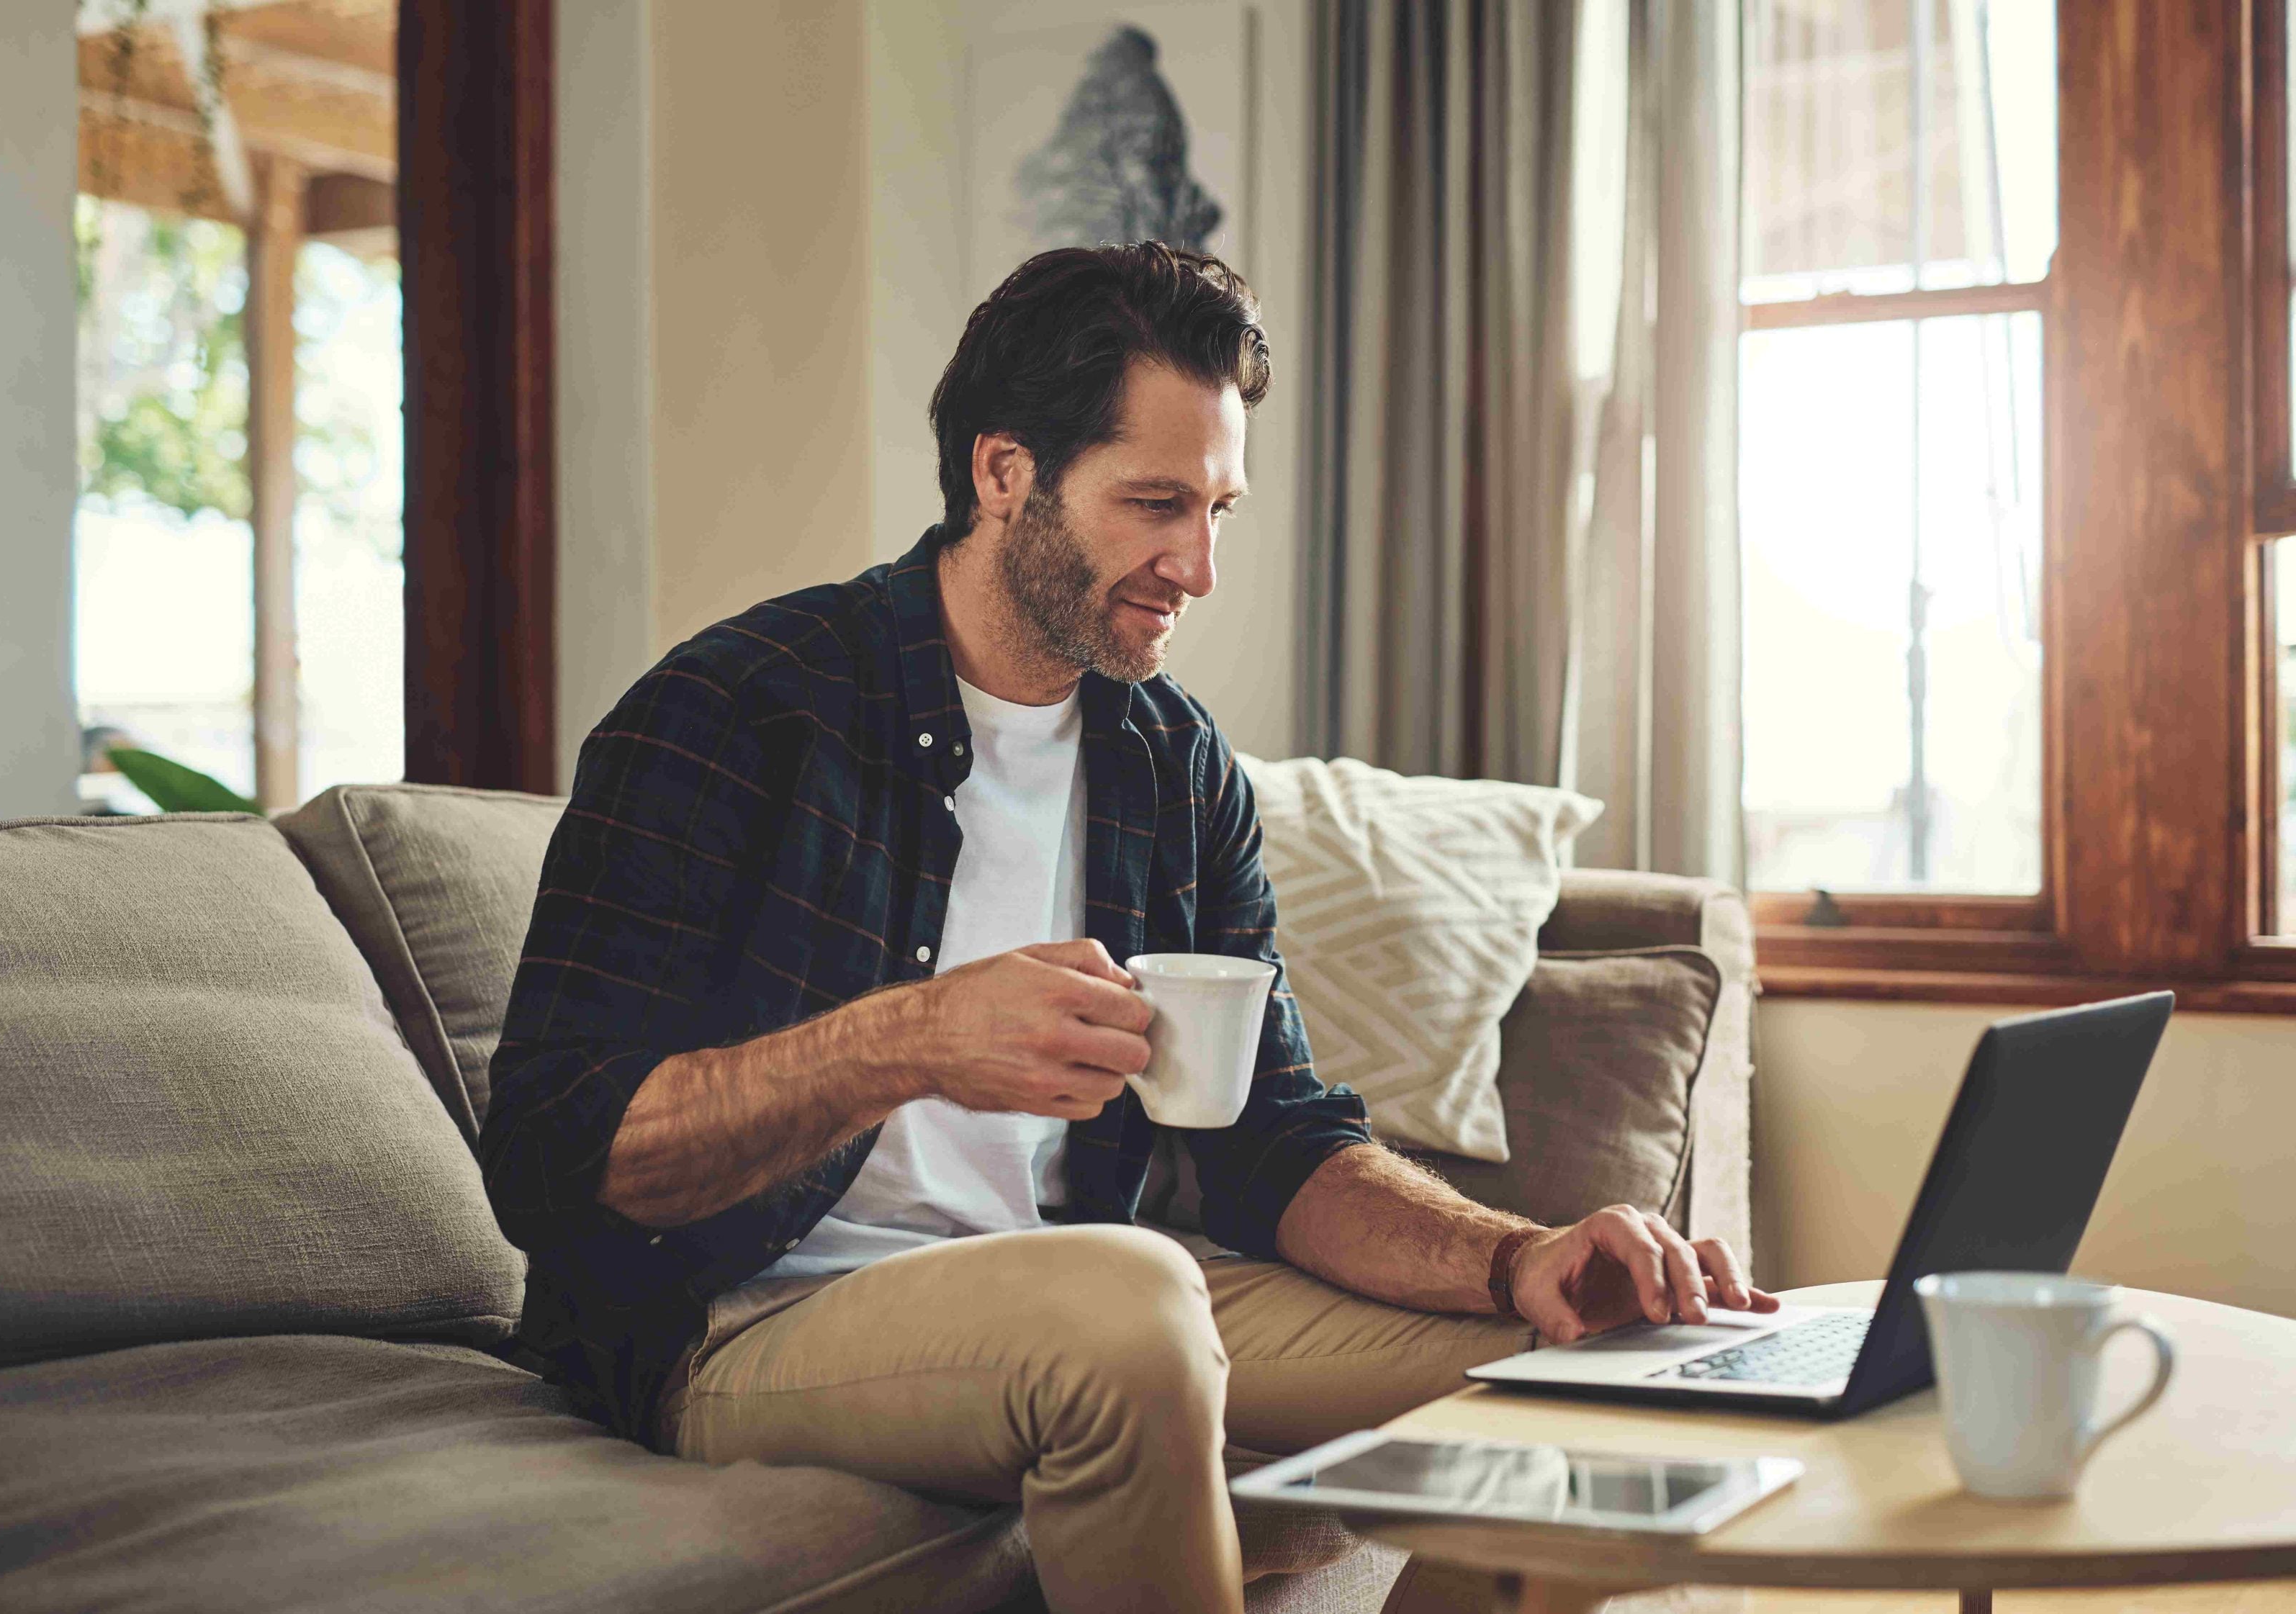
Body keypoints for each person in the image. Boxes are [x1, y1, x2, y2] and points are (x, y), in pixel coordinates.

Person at [482, 243, 1775, 1614]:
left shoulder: (1172, 763)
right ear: (1004, 474)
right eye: (1156, 503)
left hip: (1095, 1296)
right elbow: (555, 1158)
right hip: (742, 1318)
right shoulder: (735, 713)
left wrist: (1523, 1258)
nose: (1199, 566)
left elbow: (1280, 1141)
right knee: (1128, 1301)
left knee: (1583, 1382)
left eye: (1218, 506)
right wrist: (913, 1039)